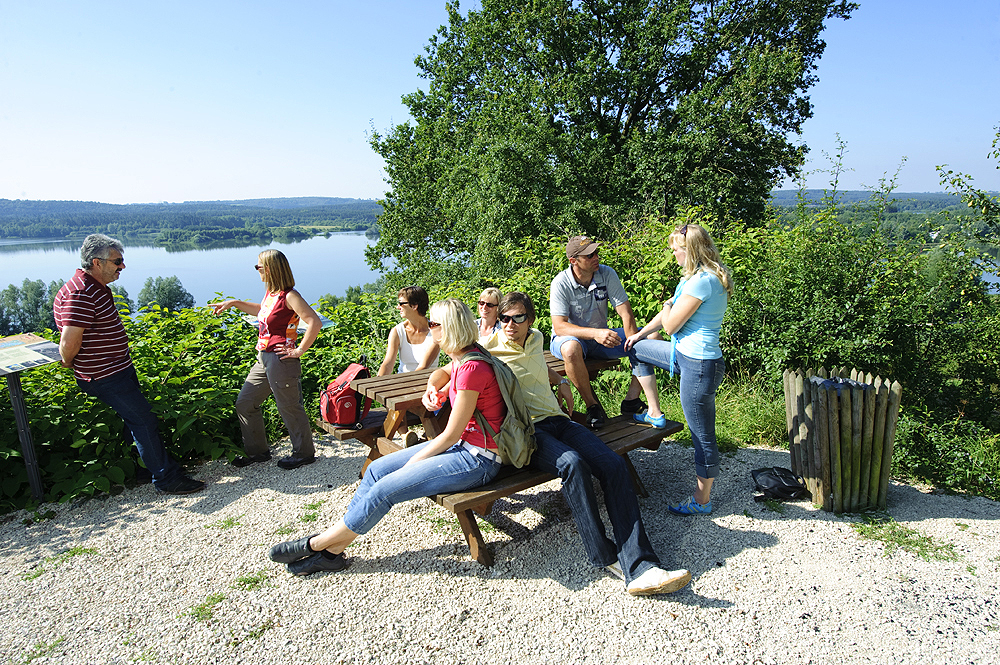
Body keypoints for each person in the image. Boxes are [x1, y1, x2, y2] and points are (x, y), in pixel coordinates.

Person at [269, 298, 507, 575]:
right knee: (377, 469)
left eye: (433, 324)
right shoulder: (466, 355)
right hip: (464, 448)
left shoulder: (472, 368)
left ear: (450, 327)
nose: (429, 329)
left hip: (478, 459)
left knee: (386, 489)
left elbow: (451, 435)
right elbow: (443, 372)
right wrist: (433, 389)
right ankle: (333, 551)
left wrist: (414, 461)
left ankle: (317, 543)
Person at [484, 292, 690, 596]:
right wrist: (434, 388)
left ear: (531, 320)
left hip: (560, 420)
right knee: (573, 464)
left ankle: (642, 565)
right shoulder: (489, 350)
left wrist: (562, 382)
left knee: (614, 464)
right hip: (530, 432)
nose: (510, 324)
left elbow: (535, 364)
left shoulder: (535, 338)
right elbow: (453, 371)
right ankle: (605, 555)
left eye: (518, 317)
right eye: (504, 318)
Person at [53, 234, 205, 495]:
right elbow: (69, 341)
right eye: (117, 261)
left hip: (116, 369)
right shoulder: (81, 292)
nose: (122, 266)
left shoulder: (93, 286)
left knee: (133, 422)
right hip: (105, 375)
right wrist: (68, 362)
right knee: (143, 421)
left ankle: (145, 469)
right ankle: (166, 479)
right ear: (96, 262)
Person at [624, 223, 732, 515]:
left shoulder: (703, 281)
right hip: (683, 356)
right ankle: (653, 411)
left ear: (691, 250)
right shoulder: (697, 277)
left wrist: (667, 303)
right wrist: (639, 334)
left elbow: (671, 325)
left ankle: (702, 500)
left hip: (699, 365)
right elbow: (666, 315)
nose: (674, 255)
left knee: (702, 434)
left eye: (677, 250)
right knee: (636, 348)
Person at [211, 249, 321, 470]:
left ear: (271, 268)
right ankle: (257, 452)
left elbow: (314, 322)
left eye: (259, 266)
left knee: (289, 407)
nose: (257, 270)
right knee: (245, 403)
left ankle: (304, 453)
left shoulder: (290, 296)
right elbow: (262, 311)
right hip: (263, 357)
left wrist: (298, 350)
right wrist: (233, 303)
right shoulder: (272, 293)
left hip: (281, 360)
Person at [549, 235, 654, 429]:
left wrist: (634, 343)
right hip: (570, 339)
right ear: (574, 261)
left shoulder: (606, 273)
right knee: (571, 348)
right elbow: (559, 327)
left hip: (599, 337)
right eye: (589, 255)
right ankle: (592, 406)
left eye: (596, 252)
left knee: (652, 335)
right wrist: (596, 333)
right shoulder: (560, 283)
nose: (596, 257)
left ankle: (631, 400)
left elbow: (625, 312)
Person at [377, 285, 439, 375]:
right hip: (403, 381)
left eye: (401, 303)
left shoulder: (435, 330)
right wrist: (377, 383)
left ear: (414, 306)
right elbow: (388, 364)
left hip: (429, 382)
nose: (398, 307)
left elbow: (424, 366)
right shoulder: (397, 331)